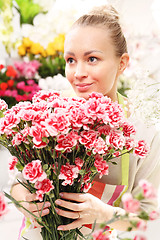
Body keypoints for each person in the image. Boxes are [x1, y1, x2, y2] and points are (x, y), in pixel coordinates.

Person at [11, 4, 160, 239]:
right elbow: (17, 183)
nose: (78, 72)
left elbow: (148, 220)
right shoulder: (51, 116)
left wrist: (104, 214)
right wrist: (24, 201)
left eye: (92, 59)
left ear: (122, 63)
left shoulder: (144, 132)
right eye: (71, 60)